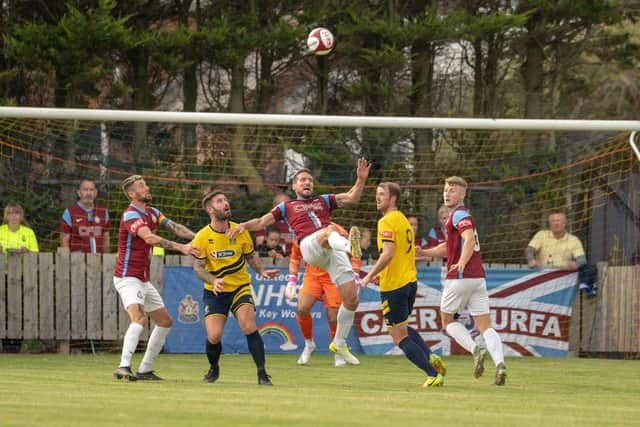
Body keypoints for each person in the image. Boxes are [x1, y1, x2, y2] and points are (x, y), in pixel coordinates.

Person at [228, 158, 371, 365]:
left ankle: (339, 343)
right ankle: (351, 247)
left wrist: (361, 179)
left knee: (351, 301)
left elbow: (351, 197)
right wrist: (243, 225)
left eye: (310, 180)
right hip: (310, 246)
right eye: (302, 180)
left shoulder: (323, 200)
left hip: (331, 252)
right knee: (329, 230)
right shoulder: (287, 206)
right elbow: (261, 221)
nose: (307, 183)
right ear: (294, 185)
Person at [419, 176, 507, 386]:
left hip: (460, 277)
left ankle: (476, 349)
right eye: (446, 190)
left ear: (463, 195)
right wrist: (423, 252)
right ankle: (500, 365)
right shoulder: (456, 217)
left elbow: (468, 239)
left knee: (447, 321)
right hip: (478, 279)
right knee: (485, 325)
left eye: (452, 190)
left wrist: (461, 262)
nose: (447, 193)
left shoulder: (459, 214)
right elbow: (447, 247)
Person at [113, 175, 199, 381]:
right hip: (127, 277)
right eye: (142, 186)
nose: (147, 188)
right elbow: (149, 237)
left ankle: (144, 370)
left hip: (142, 279)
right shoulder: (130, 215)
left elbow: (176, 227)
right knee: (140, 319)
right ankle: (123, 366)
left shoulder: (153, 212)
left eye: (145, 185)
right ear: (132, 194)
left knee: (165, 321)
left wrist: (200, 237)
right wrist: (181, 248)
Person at [361, 182, 445, 388]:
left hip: (394, 287)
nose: (377, 197)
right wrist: (381, 274)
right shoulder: (404, 222)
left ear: (393, 199)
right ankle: (430, 355)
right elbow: (403, 255)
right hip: (409, 283)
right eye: (377, 194)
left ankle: (432, 373)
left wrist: (369, 274)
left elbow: (388, 254)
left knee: (398, 337)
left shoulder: (386, 221)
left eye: (382, 194)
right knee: (403, 328)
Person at [192, 190, 280, 385]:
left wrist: (261, 271)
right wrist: (213, 280)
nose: (226, 203)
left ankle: (262, 374)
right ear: (210, 209)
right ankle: (214, 368)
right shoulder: (202, 237)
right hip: (215, 292)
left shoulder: (240, 231)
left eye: (226, 199)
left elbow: (250, 256)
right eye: (220, 201)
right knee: (214, 336)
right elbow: (198, 267)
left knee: (248, 325)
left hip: (240, 287)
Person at [285, 223, 359, 367]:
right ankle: (309, 344)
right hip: (312, 275)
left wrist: (355, 276)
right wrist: (291, 281)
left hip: (334, 275)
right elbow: (295, 256)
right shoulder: (302, 230)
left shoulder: (338, 230)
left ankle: (338, 351)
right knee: (302, 308)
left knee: (333, 315)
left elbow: (354, 253)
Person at [0, 203, 38, 353]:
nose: (14, 216)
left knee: (19, 310)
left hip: (22, 276)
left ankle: (16, 344)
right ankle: (4, 342)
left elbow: (35, 252)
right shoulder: (1, 231)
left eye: (16, 213)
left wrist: (26, 250)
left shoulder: (28, 232)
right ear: (6, 216)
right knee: (3, 309)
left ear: (21, 216)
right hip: (3, 275)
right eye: (10, 213)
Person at [59, 179, 111, 253]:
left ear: (96, 193)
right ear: (79, 193)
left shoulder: (103, 212)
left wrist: (106, 260)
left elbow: (106, 239)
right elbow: (64, 240)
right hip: (77, 262)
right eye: (85, 190)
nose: (88, 193)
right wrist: (68, 262)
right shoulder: (69, 212)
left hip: (98, 261)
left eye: (91, 190)